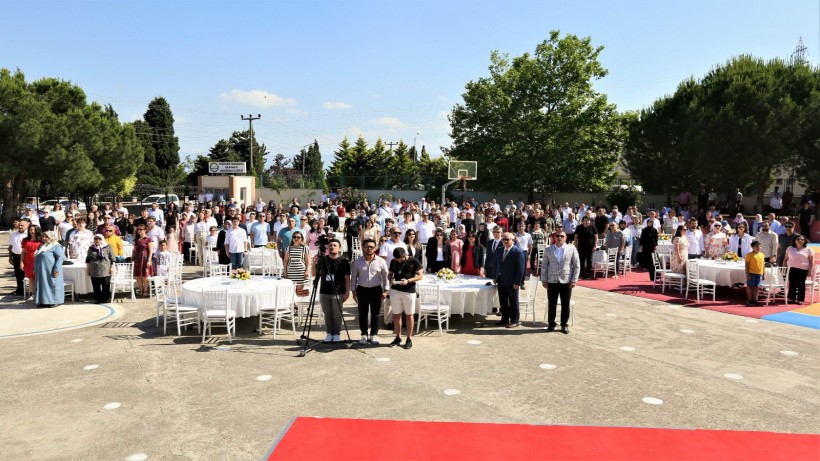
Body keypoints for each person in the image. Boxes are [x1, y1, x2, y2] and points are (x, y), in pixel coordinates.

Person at [540, 230, 580, 334]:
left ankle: (564, 325)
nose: (559, 237)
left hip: (566, 281)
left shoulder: (571, 249)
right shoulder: (548, 249)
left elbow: (576, 266)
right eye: (557, 236)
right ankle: (551, 323)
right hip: (551, 281)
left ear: (566, 238)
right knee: (552, 304)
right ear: (554, 237)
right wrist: (544, 279)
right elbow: (544, 266)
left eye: (562, 236)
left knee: (565, 304)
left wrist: (574, 280)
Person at [351, 238, 389, 345]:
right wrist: (353, 291)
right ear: (363, 247)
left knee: (375, 313)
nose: (369, 249)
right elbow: (353, 277)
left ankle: (374, 334)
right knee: (362, 313)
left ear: (375, 248)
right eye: (367, 246)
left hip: (376, 290)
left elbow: (386, 277)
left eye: (371, 247)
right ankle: (364, 334)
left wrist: (386, 291)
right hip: (362, 290)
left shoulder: (381, 261)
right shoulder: (358, 262)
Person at [387, 247, 424, 349]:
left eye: (400, 259)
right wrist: (391, 279)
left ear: (405, 255)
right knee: (396, 315)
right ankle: (398, 337)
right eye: (397, 259)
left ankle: (409, 338)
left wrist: (408, 280)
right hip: (395, 290)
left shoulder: (413, 261)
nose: (398, 260)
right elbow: (389, 274)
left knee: (409, 315)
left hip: (409, 291)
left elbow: (420, 276)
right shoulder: (393, 261)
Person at [315, 239, 350, 343]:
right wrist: (314, 263)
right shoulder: (323, 260)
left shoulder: (343, 261)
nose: (332, 247)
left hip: (338, 292)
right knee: (327, 314)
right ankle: (329, 333)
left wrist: (347, 292)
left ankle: (337, 333)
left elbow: (347, 278)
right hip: (324, 291)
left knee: (337, 314)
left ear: (339, 248)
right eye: (330, 245)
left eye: (334, 245)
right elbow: (314, 274)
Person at [494, 232, 526, 328]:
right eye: (503, 239)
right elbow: (497, 265)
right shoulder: (499, 250)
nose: (505, 241)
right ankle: (504, 319)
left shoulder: (518, 252)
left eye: (507, 239)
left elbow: (521, 269)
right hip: (501, 280)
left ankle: (514, 320)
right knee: (503, 301)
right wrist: (495, 277)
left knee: (513, 302)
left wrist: (517, 282)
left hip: (512, 282)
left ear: (513, 240)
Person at [33, 230, 64, 308]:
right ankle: (43, 301)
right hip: (41, 270)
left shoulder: (56, 246)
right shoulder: (42, 246)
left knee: (52, 284)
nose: (44, 238)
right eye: (43, 236)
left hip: (50, 270)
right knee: (42, 284)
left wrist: (56, 268)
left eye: (46, 237)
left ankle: (55, 301)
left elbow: (60, 258)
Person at [783, 234, 815, 305]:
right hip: (791, 269)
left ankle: (800, 299)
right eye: (798, 239)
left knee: (801, 284)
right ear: (795, 241)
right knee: (792, 284)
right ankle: (791, 298)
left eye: (802, 239)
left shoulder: (809, 249)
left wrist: (810, 271)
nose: (800, 240)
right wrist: (784, 268)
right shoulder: (790, 248)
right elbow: (785, 259)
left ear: (804, 241)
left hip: (803, 270)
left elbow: (811, 261)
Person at [86, 234, 115, 303]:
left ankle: (105, 299)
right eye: (96, 239)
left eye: (99, 239)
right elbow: (88, 259)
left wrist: (112, 267)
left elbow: (112, 258)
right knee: (96, 286)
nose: (97, 240)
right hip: (94, 269)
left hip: (105, 269)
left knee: (106, 285)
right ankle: (98, 299)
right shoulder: (91, 248)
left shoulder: (108, 247)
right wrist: (88, 269)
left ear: (102, 239)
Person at [8, 219, 30, 296]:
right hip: (16, 256)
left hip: (26, 256)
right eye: (19, 225)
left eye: (22, 225)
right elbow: (10, 246)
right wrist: (10, 257)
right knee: (18, 273)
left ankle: (30, 290)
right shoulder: (14, 234)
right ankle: (20, 289)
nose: (19, 226)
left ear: (27, 226)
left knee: (26, 273)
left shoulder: (28, 235)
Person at [20, 225, 43, 301]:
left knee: (40, 277)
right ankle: (33, 294)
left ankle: (41, 294)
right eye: (31, 230)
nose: (32, 231)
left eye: (34, 230)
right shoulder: (25, 240)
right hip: (29, 259)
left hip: (40, 259)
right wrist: (21, 262)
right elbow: (23, 252)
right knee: (31, 277)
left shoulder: (41, 239)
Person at [132, 225, 154, 297]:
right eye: (138, 229)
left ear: (145, 230)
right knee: (138, 276)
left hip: (145, 259)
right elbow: (134, 250)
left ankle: (145, 291)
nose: (139, 231)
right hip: (137, 259)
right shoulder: (136, 239)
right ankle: (141, 290)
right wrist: (132, 258)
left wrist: (149, 260)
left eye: (141, 229)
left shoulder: (148, 239)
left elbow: (151, 251)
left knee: (145, 276)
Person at [745, 241, 766, 306]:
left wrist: (764, 273)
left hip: (759, 273)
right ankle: (750, 299)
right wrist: (747, 274)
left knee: (756, 286)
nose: (758, 247)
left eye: (759, 246)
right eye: (756, 246)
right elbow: (747, 265)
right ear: (752, 247)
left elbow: (763, 265)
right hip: (751, 273)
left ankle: (754, 299)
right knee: (750, 286)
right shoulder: (749, 255)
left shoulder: (762, 255)